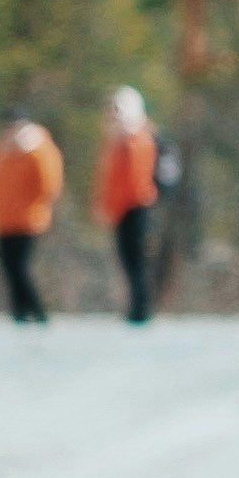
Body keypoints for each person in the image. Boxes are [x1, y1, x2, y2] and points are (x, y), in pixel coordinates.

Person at [0, 104, 65, 323]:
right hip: (4, 219)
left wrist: (32, 151)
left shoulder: (39, 149)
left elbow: (49, 184)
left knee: (20, 266)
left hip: (29, 218)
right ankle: (19, 311)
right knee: (8, 266)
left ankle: (37, 312)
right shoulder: (1, 151)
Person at [96, 86, 164, 324]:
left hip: (135, 206)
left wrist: (118, 205)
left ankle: (141, 309)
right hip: (123, 207)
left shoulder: (136, 139)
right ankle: (136, 308)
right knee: (128, 259)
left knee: (136, 259)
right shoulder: (117, 140)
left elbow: (135, 180)